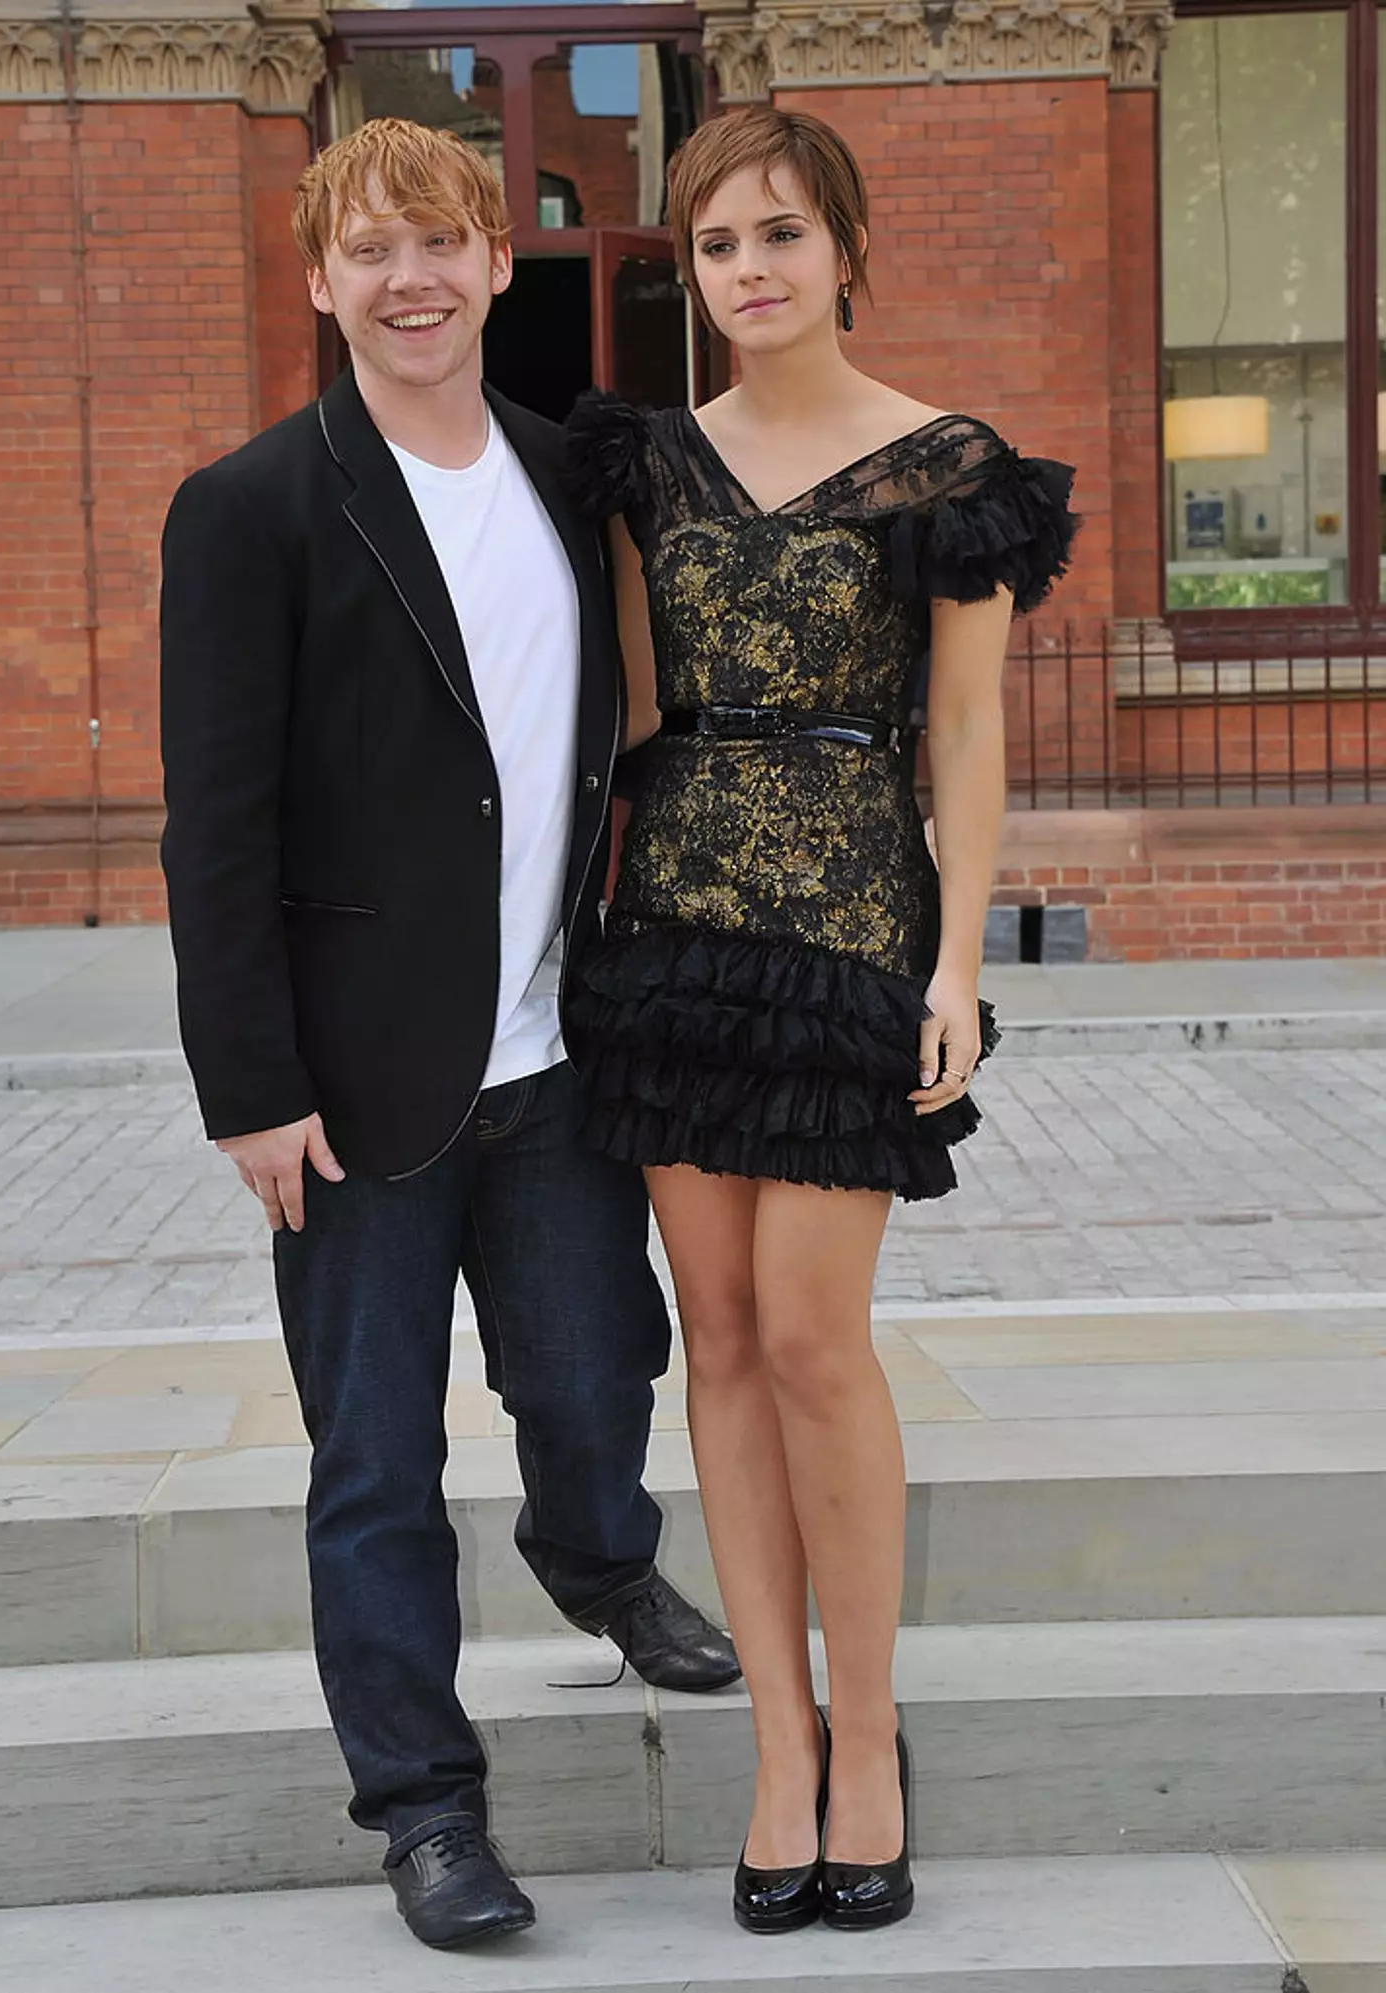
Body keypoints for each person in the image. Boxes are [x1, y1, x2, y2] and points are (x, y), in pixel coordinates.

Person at [157, 116, 738, 1956]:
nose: (410, 279)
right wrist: (247, 1086)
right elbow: (215, 826)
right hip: (348, 1091)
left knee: (593, 1384)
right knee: (374, 1462)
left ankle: (595, 1555)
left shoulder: (584, 475)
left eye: (445, 242)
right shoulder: (250, 507)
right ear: (321, 279)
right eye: (370, 249)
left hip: (559, 1057)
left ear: (500, 263)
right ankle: (425, 1808)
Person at [566, 106, 1076, 1934]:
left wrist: (956, 962)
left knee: (811, 1338)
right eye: (715, 245)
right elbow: (623, 723)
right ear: (689, 273)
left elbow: (964, 731)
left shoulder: (948, 469)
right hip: (679, 931)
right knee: (713, 1338)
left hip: (854, 930)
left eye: (780, 234)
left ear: (845, 251)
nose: (750, 271)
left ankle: (870, 1733)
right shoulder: (642, 468)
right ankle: (779, 1747)